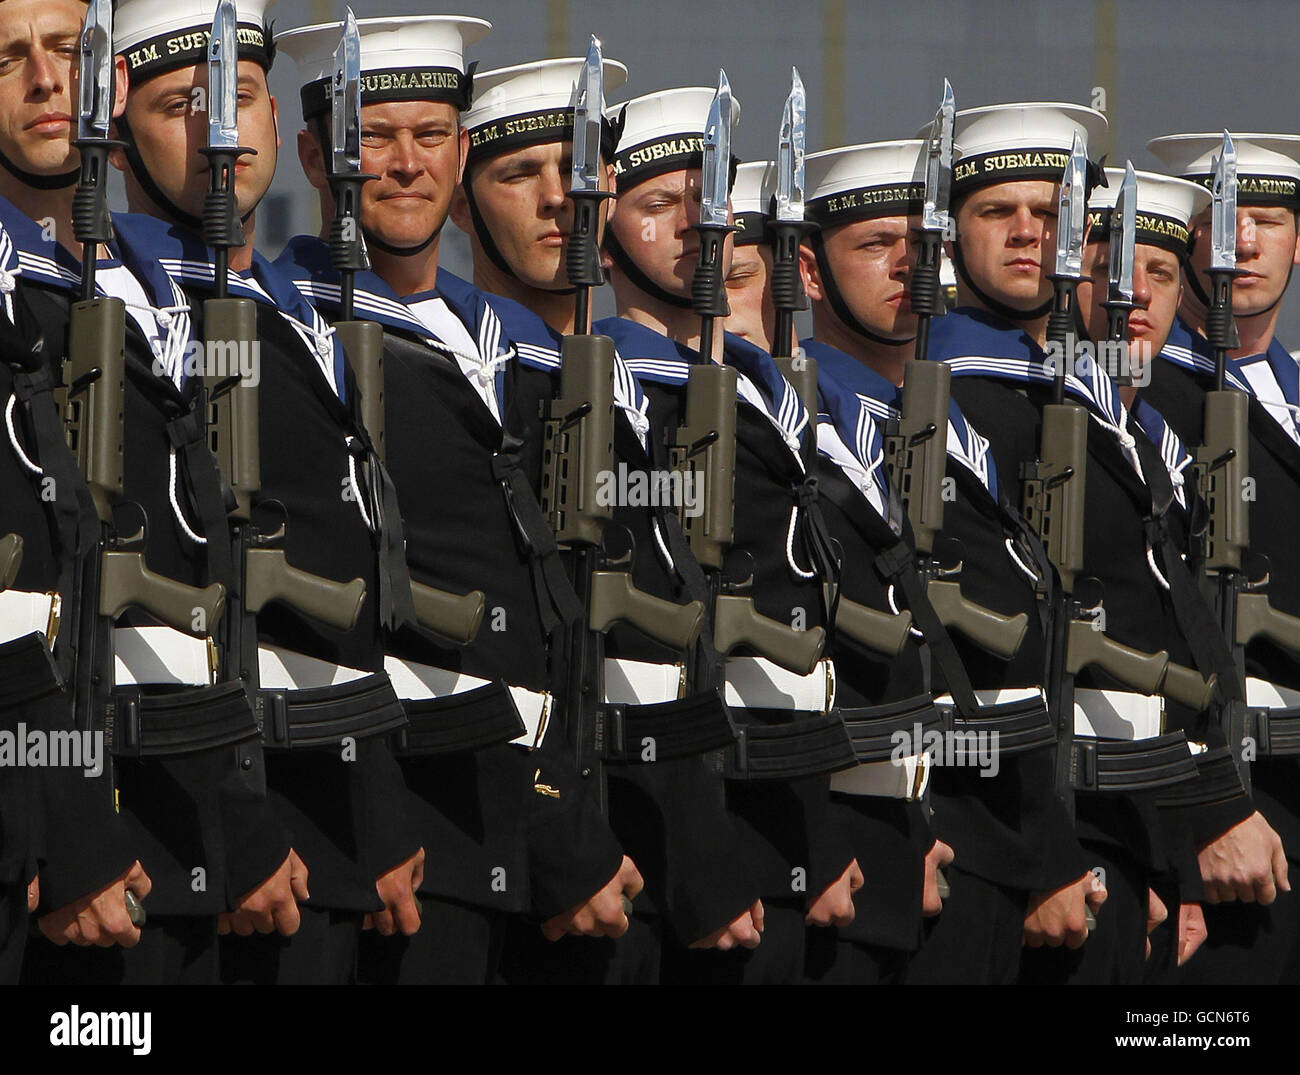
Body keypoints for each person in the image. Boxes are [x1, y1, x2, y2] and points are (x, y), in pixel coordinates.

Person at [275, 18, 643, 984]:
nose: (404, 165)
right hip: (406, 825)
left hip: (534, 832)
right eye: (374, 135)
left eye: (431, 134)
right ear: (314, 154)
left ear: (462, 149)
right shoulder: (293, 325)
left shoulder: (510, 344)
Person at [108, 0, 424, 984]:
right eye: (178, 106)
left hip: (332, 826)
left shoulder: (307, 317)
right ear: (117, 138)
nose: (218, 130)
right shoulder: (119, 304)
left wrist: (380, 808)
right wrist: (229, 825)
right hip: (186, 827)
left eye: (239, 98)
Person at [927, 101, 1271, 982]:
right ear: (953, 230)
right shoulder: (951, 397)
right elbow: (990, 660)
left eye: (1050, 215)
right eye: (996, 212)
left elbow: (1145, 630)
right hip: (1018, 843)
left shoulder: (1079, 403)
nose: (1026, 235)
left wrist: (1166, 851)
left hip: (1122, 831)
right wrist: (1046, 857)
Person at [796, 136, 1096, 984]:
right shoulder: (812, 427)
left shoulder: (943, 424)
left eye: (921, 244)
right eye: (873, 245)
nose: (906, 265)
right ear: (812, 274)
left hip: (986, 840)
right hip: (904, 845)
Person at [597, 83, 865, 984]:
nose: (694, 222)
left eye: (704, 192)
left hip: (792, 807)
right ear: (603, 228)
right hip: (680, 826)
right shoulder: (616, 390)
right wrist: (700, 847)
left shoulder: (764, 392)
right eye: (658, 203)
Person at [1143, 131, 1300, 983]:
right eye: (1219, 220)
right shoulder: (1143, 402)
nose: (1242, 243)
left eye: (1268, 219)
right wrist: (1189, 825)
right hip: (1225, 814)